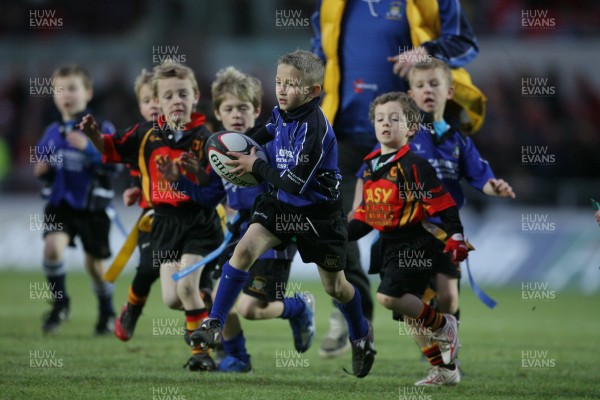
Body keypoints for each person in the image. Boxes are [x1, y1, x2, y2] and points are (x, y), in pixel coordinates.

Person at [311, 0, 483, 358]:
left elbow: (466, 43)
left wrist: (426, 52)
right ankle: (353, 314)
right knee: (340, 227)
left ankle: (446, 352)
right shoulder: (333, 3)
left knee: (428, 245)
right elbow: (320, 53)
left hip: (411, 144)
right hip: (343, 136)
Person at [189, 50, 376, 378]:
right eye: (278, 82)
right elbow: (264, 133)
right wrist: (235, 148)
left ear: (312, 92)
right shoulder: (281, 114)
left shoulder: (314, 127)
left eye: (291, 85)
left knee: (336, 287)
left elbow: (296, 183)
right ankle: (215, 322)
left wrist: (255, 165)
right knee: (245, 248)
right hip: (280, 207)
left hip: (319, 216)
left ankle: (361, 334)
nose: (282, 89)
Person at [161, 66, 316, 373]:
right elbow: (210, 197)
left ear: (256, 110)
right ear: (218, 113)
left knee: (249, 308)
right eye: (229, 108)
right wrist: (182, 180)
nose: (236, 115)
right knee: (221, 299)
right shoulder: (219, 154)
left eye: (243, 108)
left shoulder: (269, 147)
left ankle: (299, 308)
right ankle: (237, 356)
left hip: (272, 236)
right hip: (238, 238)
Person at [80, 62, 223, 371]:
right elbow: (111, 148)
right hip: (163, 223)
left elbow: (213, 186)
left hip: (198, 221)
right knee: (174, 298)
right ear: (158, 100)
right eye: (168, 95)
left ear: (195, 96)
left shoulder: (205, 138)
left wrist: (193, 173)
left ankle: (202, 355)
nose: (176, 101)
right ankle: (209, 312)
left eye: (183, 94)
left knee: (186, 288)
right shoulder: (145, 134)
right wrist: (93, 135)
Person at [347, 91, 468, 382]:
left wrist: (456, 237)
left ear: (411, 128)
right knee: (409, 314)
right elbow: (366, 216)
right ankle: (444, 369)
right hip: (387, 245)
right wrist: (338, 234)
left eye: (394, 118)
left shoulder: (416, 165)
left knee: (389, 297)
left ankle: (443, 325)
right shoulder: (370, 166)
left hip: (416, 243)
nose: (385, 123)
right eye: (379, 118)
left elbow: (444, 204)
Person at [33, 65, 117, 335]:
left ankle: (106, 310)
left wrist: (90, 151)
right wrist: (42, 170)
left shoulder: (101, 128)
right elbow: (43, 167)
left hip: (93, 208)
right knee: (52, 249)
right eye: (60, 89)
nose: (65, 94)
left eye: (72, 88)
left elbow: (115, 165)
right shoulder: (51, 132)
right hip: (61, 206)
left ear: (88, 93)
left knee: (94, 266)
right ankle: (60, 304)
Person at [112, 69, 161, 341]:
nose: (153, 104)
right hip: (153, 216)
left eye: (158, 97)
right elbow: (137, 172)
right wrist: (133, 190)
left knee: (199, 281)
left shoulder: (189, 135)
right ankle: (132, 307)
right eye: (146, 100)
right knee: (148, 268)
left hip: (190, 217)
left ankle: (215, 336)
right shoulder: (139, 138)